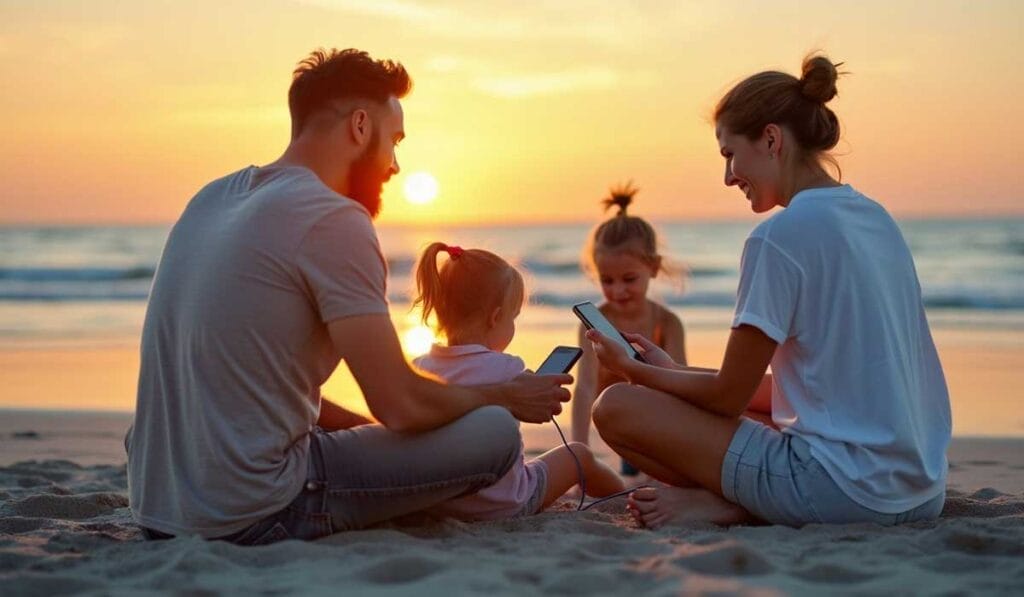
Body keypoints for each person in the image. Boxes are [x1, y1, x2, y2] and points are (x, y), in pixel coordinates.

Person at [125, 48, 571, 545]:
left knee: (393, 433)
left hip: (159, 506)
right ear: (361, 126)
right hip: (255, 510)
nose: (396, 166)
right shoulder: (332, 217)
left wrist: (373, 441)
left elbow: (251, 384)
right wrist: (504, 395)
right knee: (495, 432)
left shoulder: (211, 199)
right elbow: (399, 404)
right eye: (394, 141)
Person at [586, 54, 951, 528]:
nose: (728, 176)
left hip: (843, 491)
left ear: (772, 139)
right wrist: (675, 372)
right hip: (921, 492)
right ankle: (738, 501)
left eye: (729, 155)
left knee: (616, 407)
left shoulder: (778, 238)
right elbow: (810, 389)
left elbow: (726, 398)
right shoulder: (875, 218)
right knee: (743, 413)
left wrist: (632, 371)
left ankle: (734, 507)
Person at [411, 242, 624, 519]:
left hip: (439, 501)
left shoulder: (418, 369)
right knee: (579, 455)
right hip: (504, 501)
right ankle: (624, 497)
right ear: (496, 318)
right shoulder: (508, 369)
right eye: (513, 319)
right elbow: (539, 409)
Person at [571, 183, 687, 477]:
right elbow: (584, 388)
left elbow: (681, 384)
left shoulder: (667, 323)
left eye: (629, 279)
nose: (618, 290)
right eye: (607, 281)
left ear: (654, 267)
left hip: (656, 423)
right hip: (615, 422)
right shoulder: (594, 323)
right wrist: (579, 455)